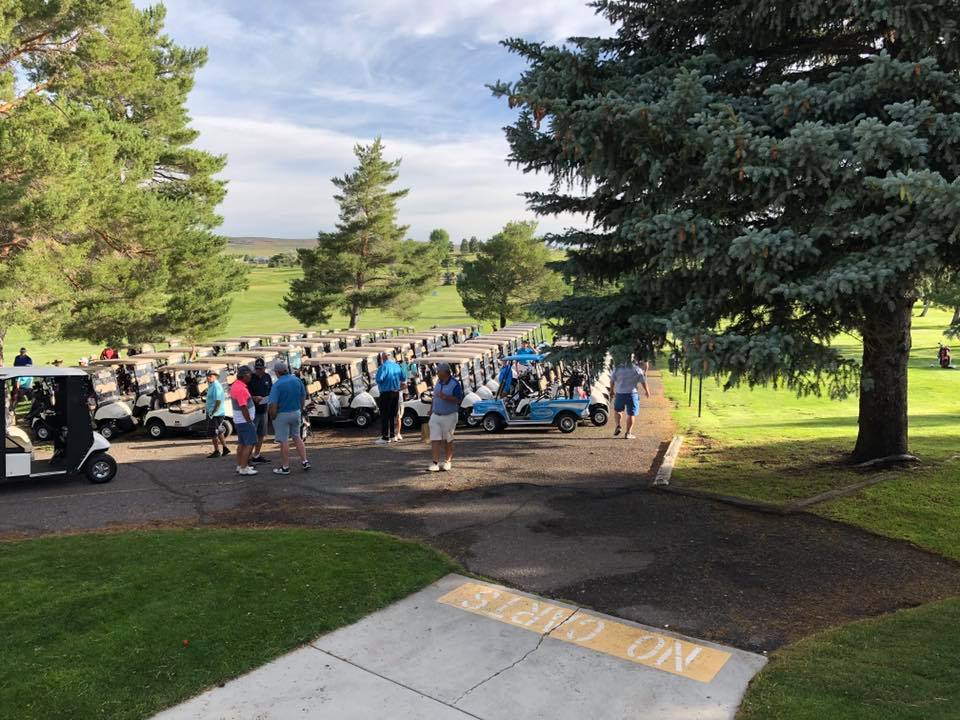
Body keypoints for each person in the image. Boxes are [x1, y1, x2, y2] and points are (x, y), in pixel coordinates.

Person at [267, 360, 310, 475]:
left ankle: (285, 467)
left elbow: (273, 404)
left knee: (284, 440)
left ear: (277, 372)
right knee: (297, 437)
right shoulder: (297, 380)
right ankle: (304, 461)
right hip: (296, 412)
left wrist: (273, 415)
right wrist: (300, 410)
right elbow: (303, 396)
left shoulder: (277, 385)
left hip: (282, 414)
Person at [428, 363, 464, 472]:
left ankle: (448, 461)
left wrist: (447, 397)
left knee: (447, 439)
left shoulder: (454, 384)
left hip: (449, 416)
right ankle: (435, 463)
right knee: (435, 439)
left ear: (445, 372)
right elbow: (434, 397)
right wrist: (431, 409)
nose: (437, 373)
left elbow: (459, 399)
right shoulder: (438, 382)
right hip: (435, 415)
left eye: (439, 371)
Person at [610, 358, 651, 440]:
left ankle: (618, 425)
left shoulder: (617, 369)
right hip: (632, 394)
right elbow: (643, 381)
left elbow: (612, 381)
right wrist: (647, 391)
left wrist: (611, 391)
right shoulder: (636, 369)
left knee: (618, 410)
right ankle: (628, 433)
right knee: (631, 414)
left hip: (620, 393)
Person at [229, 365, 258, 475]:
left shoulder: (236, 385)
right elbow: (243, 406)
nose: (251, 376)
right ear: (245, 375)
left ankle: (240, 465)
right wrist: (249, 421)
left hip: (239, 421)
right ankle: (244, 467)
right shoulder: (241, 389)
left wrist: (253, 398)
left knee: (242, 444)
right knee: (249, 444)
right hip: (244, 421)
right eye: (249, 374)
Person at [374, 352, 405, 445]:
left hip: (386, 393)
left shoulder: (383, 367)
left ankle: (385, 437)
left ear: (383, 358)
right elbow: (403, 378)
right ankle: (392, 435)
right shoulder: (397, 366)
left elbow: (379, 379)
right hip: (396, 392)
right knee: (392, 415)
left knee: (384, 415)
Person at [247, 358, 273, 464]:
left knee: (261, 434)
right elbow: (246, 394)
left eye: (261, 369)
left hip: (264, 409)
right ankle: (247, 457)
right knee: (252, 434)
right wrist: (254, 398)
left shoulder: (267, 377)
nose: (259, 371)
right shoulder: (250, 378)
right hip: (253, 410)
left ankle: (256, 455)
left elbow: (271, 389)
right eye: (257, 369)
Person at [205, 368, 230, 459]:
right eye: (207, 376)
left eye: (210, 376)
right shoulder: (211, 385)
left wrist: (213, 412)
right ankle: (225, 448)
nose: (208, 377)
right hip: (213, 412)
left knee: (213, 433)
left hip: (216, 413)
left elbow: (218, 401)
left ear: (215, 377)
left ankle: (217, 451)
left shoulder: (216, 386)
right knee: (218, 431)